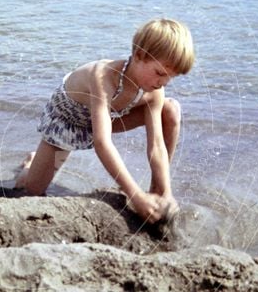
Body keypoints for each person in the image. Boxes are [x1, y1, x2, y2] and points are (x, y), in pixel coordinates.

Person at [15, 18, 194, 223]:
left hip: (107, 118)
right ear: (138, 56)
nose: (163, 82)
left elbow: (157, 146)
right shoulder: (103, 77)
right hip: (69, 121)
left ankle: (158, 191)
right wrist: (135, 196)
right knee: (30, 191)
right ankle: (30, 163)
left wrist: (168, 191)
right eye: (160, 73)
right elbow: (102, 143)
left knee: (170, 109)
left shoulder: (155, 91)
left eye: (171, 77)